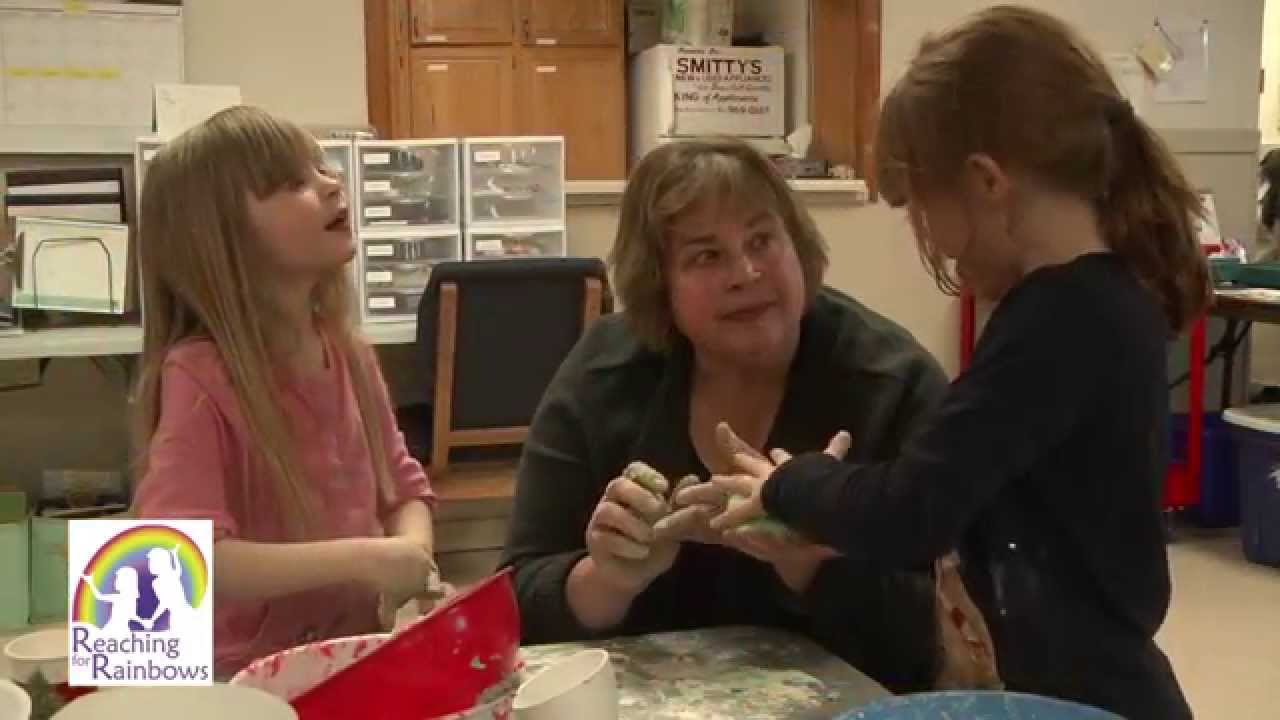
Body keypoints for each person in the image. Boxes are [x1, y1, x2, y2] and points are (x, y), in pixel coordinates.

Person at [705, 7, 1207, 719]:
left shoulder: (1058, 320)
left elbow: (914, 508)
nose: (937, 248)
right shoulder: (1100, 299)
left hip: (1090, 700)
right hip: (1080, 684)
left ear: (985, 182)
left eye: (921, 212)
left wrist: (796, 481)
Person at [500, 138, 951, 692]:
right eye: (706, 255)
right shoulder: (604, 377)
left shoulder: (891, 385)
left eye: (762, 240)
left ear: (799, 248)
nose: (746, 272)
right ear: (660, 285)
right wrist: (607, 579)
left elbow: (946, 635)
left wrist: (809, 561)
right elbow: (512, 603)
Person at [131, 106, 439, 678]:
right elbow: (185, 557)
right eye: (294, 182)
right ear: (222, 239)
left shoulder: (349, 353)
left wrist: (412, 559)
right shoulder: (198, 376)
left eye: (321, 169)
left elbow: (404, 491)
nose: (329, 184)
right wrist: (369, 559)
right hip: (241, 681)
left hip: (351, 658)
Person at [81, 568, 146, 634]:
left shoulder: (121, 597)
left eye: (118, 578)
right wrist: (142, 621)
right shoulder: (131, 598)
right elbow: (132, 615)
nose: (115, 581)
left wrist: (91, 583)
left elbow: (99, 596)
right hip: (121, 628)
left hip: (114, 627)